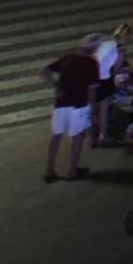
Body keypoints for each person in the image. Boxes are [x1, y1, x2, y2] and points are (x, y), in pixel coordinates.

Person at [42, 38, 98, 182]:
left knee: (56, 136)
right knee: (77, 136)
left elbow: (45, 71)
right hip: (79, 104)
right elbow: (91, 90)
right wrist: (92, 110)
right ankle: (72, 170)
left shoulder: (68, 58)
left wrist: (56, 85)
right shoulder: (91, 63)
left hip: (61, 102)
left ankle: (49, 170)